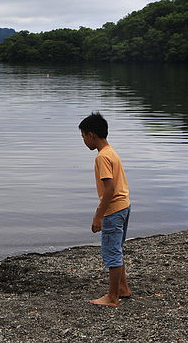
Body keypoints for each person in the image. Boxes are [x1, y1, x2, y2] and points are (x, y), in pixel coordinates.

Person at [79, 112, 131, 306]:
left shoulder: (102, 157)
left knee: (111, 252)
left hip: (114, 210)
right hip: (124, 205)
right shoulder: (111, 152)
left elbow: (109, 189)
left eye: (83, 136)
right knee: (117, 248)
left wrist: (98, 216)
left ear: (91, 135)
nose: (83, 141)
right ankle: (123, 289)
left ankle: (112, 297)